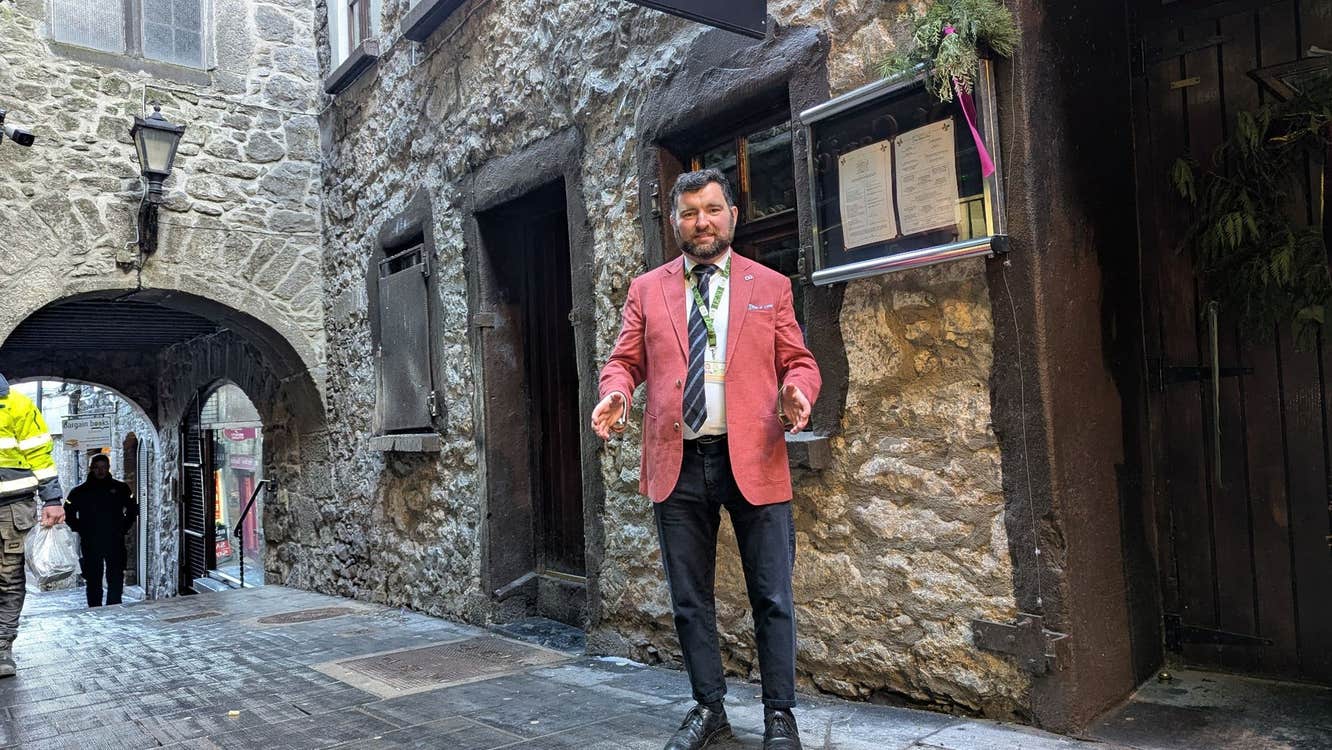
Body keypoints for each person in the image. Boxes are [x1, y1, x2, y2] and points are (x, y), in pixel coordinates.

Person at [591, 169, 820, 750]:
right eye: (690, 213)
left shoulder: (769, 284)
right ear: (675, 223)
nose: (703, 222)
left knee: (772, 595)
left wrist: (798, 392)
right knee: (690, 597)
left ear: (732, 216)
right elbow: (624, 361)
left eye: (713, 210)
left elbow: (800, 361)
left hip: (755, 456)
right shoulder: (648, 289)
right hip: (679, 460)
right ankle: (708, 706)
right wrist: (615, 393)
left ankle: (779, 716)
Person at [0, 373, 65, 678]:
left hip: (12, 508)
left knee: (9, 579)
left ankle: (1, 647)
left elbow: (39, 454)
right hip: (14, 509)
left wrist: (52, 499)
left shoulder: (17, 405)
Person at [65, 454, 137, 607]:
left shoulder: (120, 488)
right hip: (91, 541)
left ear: (108, 468)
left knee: (116, 576)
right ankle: (95, 608)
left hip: (114, 539)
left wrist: (123, 528)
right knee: (93, 578)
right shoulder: (80, 492)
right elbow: (68, 512)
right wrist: (80, 528)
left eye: (103, 467)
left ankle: (115, 605)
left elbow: (132, 509)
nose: (101, 471)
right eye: (97, 468)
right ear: (91, 469)